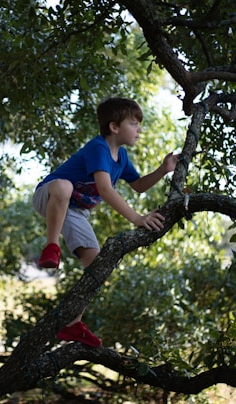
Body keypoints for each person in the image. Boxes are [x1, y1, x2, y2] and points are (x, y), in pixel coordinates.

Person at [32, 97, 179, 347]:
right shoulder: (98, 147)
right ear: (114, 127)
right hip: (50, 196)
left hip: (76, 211)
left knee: (96, 261)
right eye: (133, 124)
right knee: (63, 185)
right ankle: (51, 246)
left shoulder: (121, 157)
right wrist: (138, 218)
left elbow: (139, 185)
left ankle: (72, 323)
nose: (139, 130)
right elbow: (105, 189)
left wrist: (163, 170)